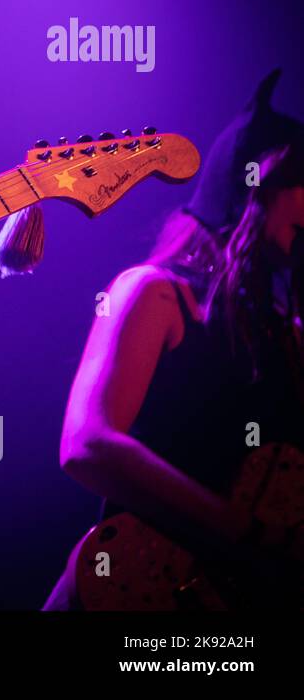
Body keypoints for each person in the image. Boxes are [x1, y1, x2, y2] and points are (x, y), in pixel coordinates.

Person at [44, 69, 304, 609]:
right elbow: (88, 444)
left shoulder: (289, 339)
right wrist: (240, 534)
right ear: (256, 185)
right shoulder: (156, 293)